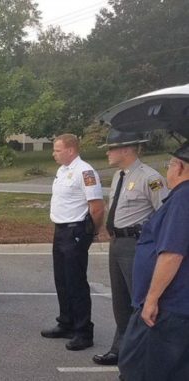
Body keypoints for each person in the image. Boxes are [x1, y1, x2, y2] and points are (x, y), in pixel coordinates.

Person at [92, 130, 168, 366]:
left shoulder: (150, 177)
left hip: (136, 244)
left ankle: (143, 353)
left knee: (139, 299)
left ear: (126, 149)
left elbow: (163, 213)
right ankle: (121, 349)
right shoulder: (118, 176)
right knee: (120, 300)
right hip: (117, 242)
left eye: (111, 148)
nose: (107, 152)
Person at [118, 142, 189, 381]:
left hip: (168, 306)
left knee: (140, 367)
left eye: (169, 164)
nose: (167, 170)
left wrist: (151, 299)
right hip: (179, 304)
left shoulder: (182, 199)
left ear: (179, 167)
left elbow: (172, 254)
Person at [41, 133, 105, 351]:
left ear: (70, 150)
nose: (54, 154)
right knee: (62, 280)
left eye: (57, 150)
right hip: (60, 230)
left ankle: (83, 331)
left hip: (76, 231)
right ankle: (66, 322)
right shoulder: (62, 170)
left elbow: (96, 207)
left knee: (76, 282)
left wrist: (91, 233)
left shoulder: (85, 172)